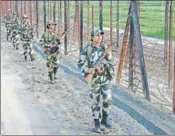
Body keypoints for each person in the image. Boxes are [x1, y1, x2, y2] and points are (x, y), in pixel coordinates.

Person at [77, 29, 114, 133]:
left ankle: (105, 119)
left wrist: (109, 55)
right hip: (94, 79)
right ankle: (96, 122)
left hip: (105, 77)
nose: (100, 37)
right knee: (95, 102)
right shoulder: (87, 50)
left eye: (101, 35)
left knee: (107, 99)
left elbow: (111, 62)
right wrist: (91, 70)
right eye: (97, 35)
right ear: (92, 37)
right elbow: (80, 64)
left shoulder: (105, 48)